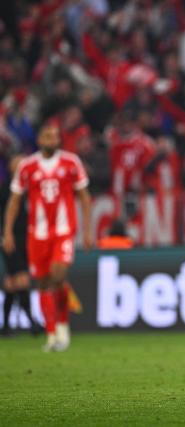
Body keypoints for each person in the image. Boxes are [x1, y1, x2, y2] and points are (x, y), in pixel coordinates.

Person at [3, 125, 92, 352]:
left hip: (63, 231)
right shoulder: (27, 166)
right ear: (39, 140)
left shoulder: (71, 162)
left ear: (59, 139)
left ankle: (62, 327)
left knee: (58, 274)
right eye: (46, 136)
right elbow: (14, 201)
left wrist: (88, 230)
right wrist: (8, 232)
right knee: (43, 283)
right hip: (37, 234)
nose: (51, 139)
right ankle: (51, 334)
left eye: (54, 136)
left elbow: (84, 197)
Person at [1, 155, 40, 336]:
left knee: (11, 282)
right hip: (11, 239)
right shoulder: (5, 191)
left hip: (28, 238)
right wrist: (5, 235)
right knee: (22, 279)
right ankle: (32, 323)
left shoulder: (31, 189)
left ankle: (6, 326)